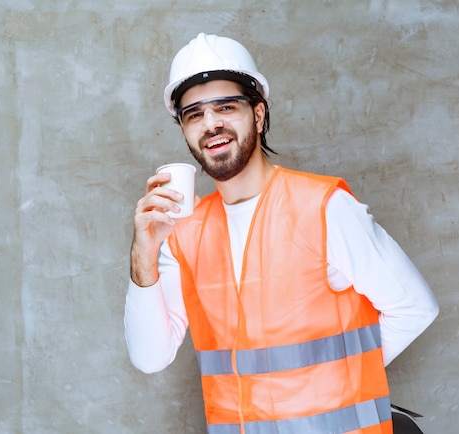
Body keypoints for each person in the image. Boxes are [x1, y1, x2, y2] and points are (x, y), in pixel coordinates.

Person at [124, 33, 438, 434]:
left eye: (226, 106)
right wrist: (144, 253)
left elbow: (415, 307)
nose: (211, 123)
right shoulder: (185, 234)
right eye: (194, 114)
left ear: (257, 114)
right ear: (185, 131)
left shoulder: (323, 207)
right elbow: (150, 356)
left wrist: (340, 384)